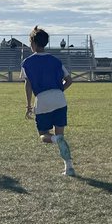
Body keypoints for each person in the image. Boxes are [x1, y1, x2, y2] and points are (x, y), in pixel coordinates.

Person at [22, 26, 76, 177]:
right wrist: (59, 90)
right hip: (60, 99)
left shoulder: (27, 62)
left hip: (43, 100)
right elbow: (69, 80)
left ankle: (54, 138)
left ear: (33, 42)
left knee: (43, 135)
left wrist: (28, 105)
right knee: (61, 136)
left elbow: (28, 85)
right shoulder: (55, 60)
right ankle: (69, 167)